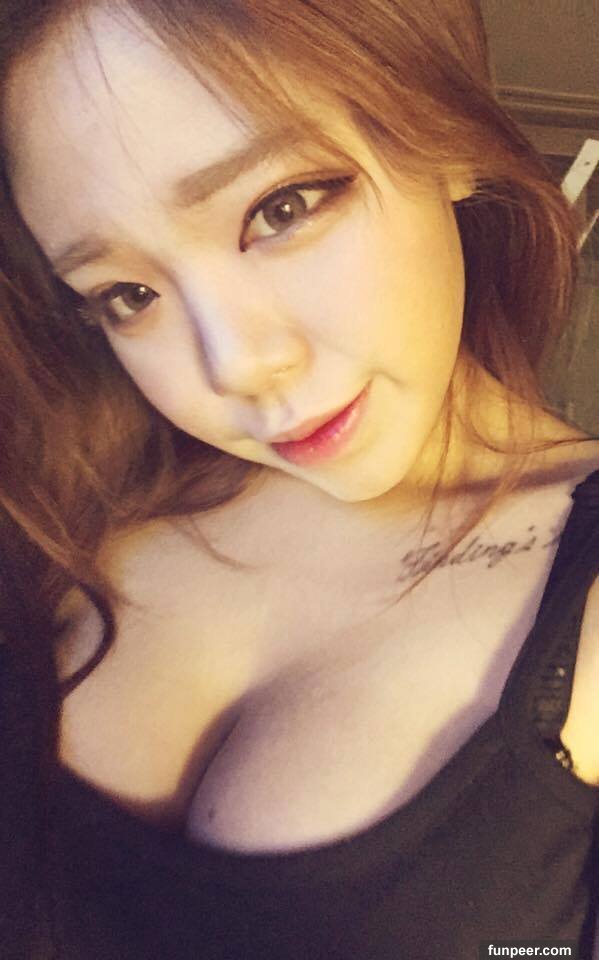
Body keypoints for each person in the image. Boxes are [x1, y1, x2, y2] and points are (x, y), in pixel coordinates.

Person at [0, 0, 598, 957]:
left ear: (443, 132)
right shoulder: (62, 497)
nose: (236, 365)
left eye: (280, 209)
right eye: (128, 294)